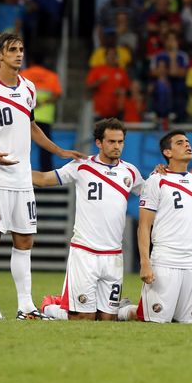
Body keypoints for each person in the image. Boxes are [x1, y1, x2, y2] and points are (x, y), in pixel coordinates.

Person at [0, 32, 85, 320]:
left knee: (25, 240)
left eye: (21, 49)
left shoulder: (28, 88)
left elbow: (31, 126)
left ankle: (25, 306)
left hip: (22, 178)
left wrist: (59, 150)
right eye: (12, 49)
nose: (18, 54)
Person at [34, 118, 144, 321]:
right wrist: (9, 171)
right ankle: (50, 306)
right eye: (111, 141)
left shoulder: (130, 172)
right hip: (85, 253)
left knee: (106, 320)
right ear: (99, 143)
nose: (117, 146)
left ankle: (121, 308)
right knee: (84, 318)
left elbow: (150, 195)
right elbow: (42, 180)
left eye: (120, 142)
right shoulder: (81, 166)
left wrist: (163, 176)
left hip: (113, 255)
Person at [117, 130, 192, 323]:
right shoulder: (156, 180)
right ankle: (123, 310)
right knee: (154, 320)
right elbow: (143, 226)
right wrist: (145, 263)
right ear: (167, 152)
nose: (187, 145)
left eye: (187, 141)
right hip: (166, 261)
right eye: (179, 143)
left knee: (189, 323)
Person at [20, 51, 62, 172]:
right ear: (44, 62)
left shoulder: (23, 74)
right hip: (45, 118)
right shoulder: (52, 76)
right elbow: (56, 96)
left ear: (31, 61)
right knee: (46, 147)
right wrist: (42, 103)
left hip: (26, 116)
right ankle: (47, 173)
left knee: (22, 146)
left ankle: (19, 172)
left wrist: (33, 102)